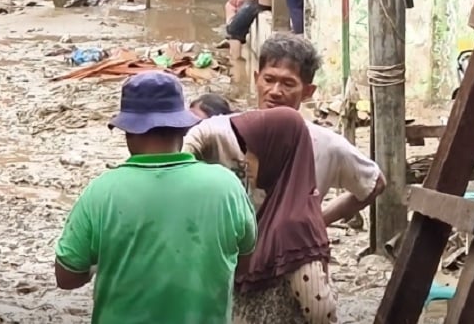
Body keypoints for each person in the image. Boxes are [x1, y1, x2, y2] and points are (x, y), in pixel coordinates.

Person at [54, 71, 257, 324]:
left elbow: (66, 277)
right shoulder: (227, 186)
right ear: (184, 128)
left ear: (127, 131)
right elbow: (246, 262)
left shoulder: (101, 192)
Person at [185, 33, 385, 226]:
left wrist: (319, 221)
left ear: (308, 92)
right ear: (256, 79)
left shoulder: (326, 145)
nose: (275, 92)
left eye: (288, 84)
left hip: (290, 256)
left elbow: (374, 183)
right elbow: (176, 163)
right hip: (231, 255)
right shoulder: (220, 132)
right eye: (269, 80)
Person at [231, 108, 336, 324]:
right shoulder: (279, 209)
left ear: (278, 152)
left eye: (254, 150)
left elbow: (319, 310)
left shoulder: (293, 225)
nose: (246, 159)